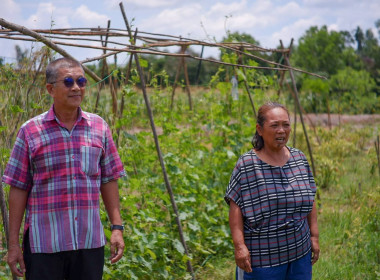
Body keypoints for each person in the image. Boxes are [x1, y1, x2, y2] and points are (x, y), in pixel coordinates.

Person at [2, 57, 126, 280]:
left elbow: (109, 179)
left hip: (89, 243)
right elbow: (18, 188)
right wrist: (13, 245)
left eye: (81, 81)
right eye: (68, 82)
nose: (76, 87)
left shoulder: (99, 127)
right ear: (50, 89)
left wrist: (117, 227)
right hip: (44, 246)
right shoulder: (30, 132)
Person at [225, 101, 319, 280]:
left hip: (300, 255)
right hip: (262, 262)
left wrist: (314, 237)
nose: (281, 130)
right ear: (259, 129)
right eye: (274, 125)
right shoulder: (247, 165)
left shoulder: (299, 158)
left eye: (286, 125)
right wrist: (239, 247)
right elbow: (235, 206)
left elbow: (310, 199)